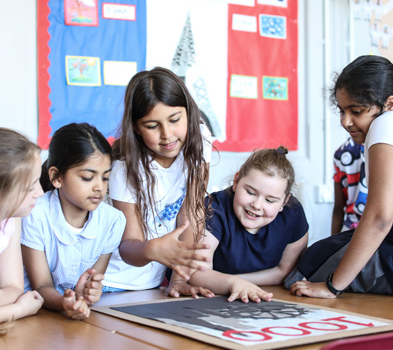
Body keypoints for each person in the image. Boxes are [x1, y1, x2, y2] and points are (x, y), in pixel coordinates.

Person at [287, 55, 393, 298]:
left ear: (390, 105)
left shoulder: (388, 123)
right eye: (341, 111)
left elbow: (380, 218)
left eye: (356, 111)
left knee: (302, 273)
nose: (346, 122)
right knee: (320, 254)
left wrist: (331, 286)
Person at [102, 67, 212, 296]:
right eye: (152, 126)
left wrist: (180, 279)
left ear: (189, 113)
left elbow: (191, 212)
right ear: (136, 127)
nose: (167, 134)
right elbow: (128, 247)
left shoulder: (199, 140)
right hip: (111, 282)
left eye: (174, 120)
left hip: (154, 284)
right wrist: (152, 248)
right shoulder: (123, 168)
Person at [21, 123, 126, 319]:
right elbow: (42, 286)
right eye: (87, 177)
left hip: (70, 315)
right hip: (33, 312)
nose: (99, 188)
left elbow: (92, 279)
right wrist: (64, 303)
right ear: (56, 177)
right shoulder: (34, 214)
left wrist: (88, 292)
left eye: (105, 178)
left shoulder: (113, 221)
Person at [181, 147, 309, 303]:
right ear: (236, 182)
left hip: (264, 296)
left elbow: (285, 272)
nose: (256, 205)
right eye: (250, 192)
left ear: (285, 201)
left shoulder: (293, 214)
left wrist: (240, 283)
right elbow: (196, 273)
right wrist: (234, 284)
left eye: (270, 200)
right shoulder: (213, 208)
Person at [0, 128, 44, 334]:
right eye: (31, 187)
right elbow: (14, 297)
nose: (41, 193)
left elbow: (13, 287)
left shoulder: (11, 219)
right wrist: (17, 310)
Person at [331, 137, 367, 234]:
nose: (346, 122)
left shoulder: (342, 152)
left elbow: (338, 207)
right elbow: (338, 207)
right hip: (358, 232)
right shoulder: (341, 153)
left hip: (351, 231)